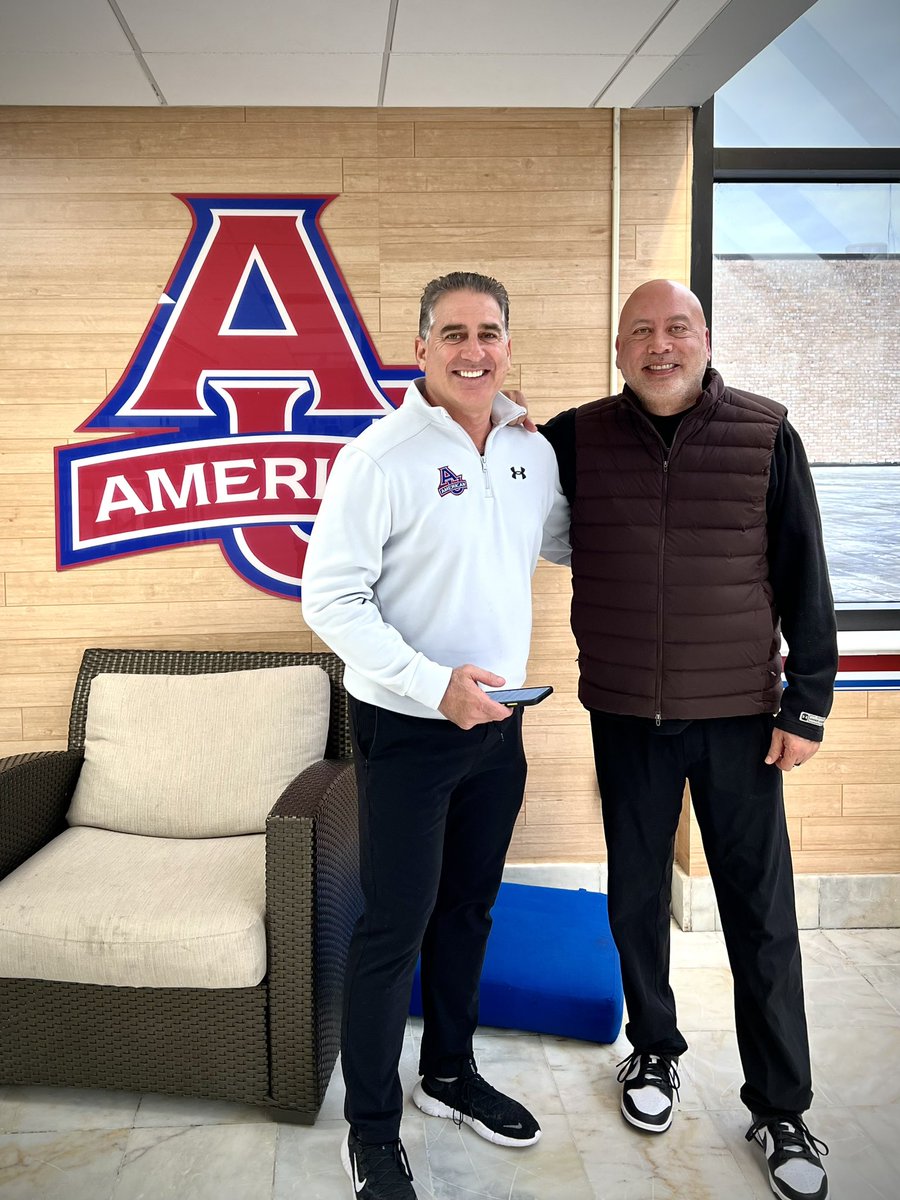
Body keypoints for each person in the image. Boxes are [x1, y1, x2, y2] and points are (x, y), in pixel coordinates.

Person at [540, 279, 837, 1200]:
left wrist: (809, 705)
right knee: (634, 898)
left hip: (742, 720)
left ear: (705, 337)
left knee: (760, 912)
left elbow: (804, 572)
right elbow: (485, 476)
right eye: (641, 332)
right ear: (618, 346)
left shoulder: (766, 432)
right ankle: (654, 1055)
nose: (659, 346)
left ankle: (782, 1106)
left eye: (676, 329)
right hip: (627, 712)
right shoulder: (574, 439)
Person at [302, 271, 570, 1200]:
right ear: (419, 348)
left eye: (489, 332)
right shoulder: (378, 457)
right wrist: (430, 685)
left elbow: (574, 538)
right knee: (394, 928)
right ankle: (372, 1129)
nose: (473, 350)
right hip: (407, 728)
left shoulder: (531, 453)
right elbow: (328, 597)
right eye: (451, 333)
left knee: (469, 911)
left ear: (508, 343)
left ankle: (448, 1074)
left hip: (503, 727)